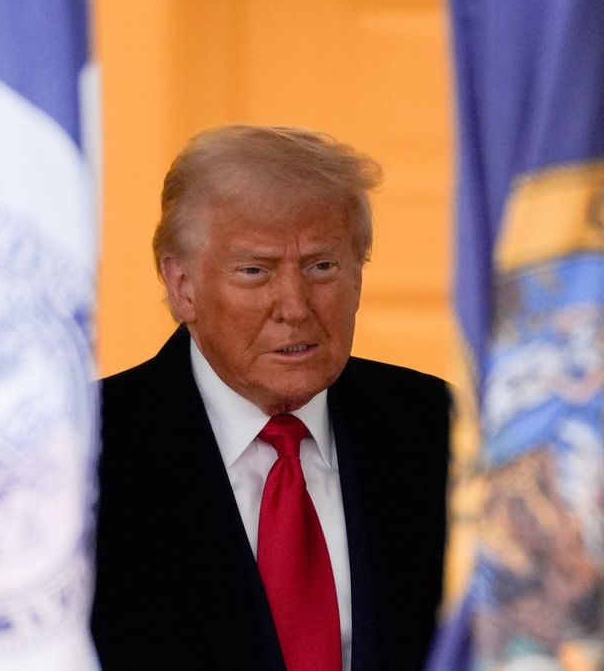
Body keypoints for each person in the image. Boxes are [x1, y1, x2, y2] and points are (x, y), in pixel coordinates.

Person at [90, 125, 450, 670]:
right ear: (182, 284)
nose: (295, 306)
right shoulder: (85, 450)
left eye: (321, 266)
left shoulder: (438, 429)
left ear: (359, 273)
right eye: (256, 271)